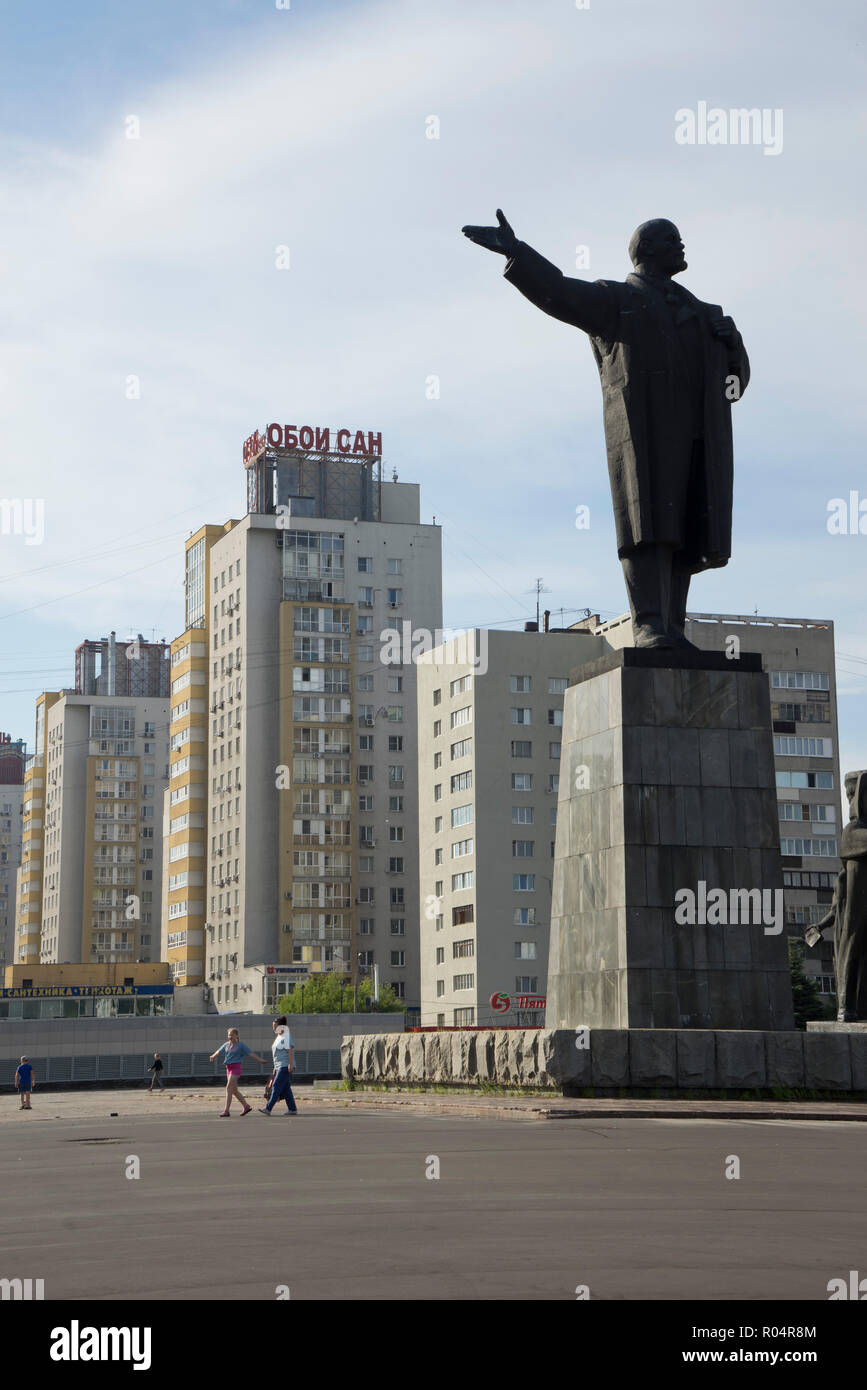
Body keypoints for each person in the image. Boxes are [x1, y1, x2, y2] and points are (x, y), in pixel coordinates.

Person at [461, 211, 749, 649]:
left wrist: (734, 345)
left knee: (686, 529)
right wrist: (516, 253)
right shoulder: (617, 301)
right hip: (645, 434)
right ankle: (649, 623)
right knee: (647, 526)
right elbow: (557, 291)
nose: (682, 245)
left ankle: (674, 626)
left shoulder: (706, 315)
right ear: (648, 249)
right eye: (673, 239)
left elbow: (734, 387)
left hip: (697, 437)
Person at [209, 1027, 268, 1116]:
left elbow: (250, 1053)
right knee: (234, 1091)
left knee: (228, 1087)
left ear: (236, 1035)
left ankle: (226, 1111)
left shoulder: (241, 1045)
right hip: (228, 1068)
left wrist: (260, 1060)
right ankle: (246, 1106)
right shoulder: (226, 1045)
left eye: (232, 1035)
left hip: (236, 1068)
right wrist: (213, 1056)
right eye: (229, 1035)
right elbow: (218, 1051)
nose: (230, 1037)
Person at [259, 1016, 298, 1116]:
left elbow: (290, 1051)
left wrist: (290, 1064)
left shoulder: (286, 1036)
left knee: (276, 1086)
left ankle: (268, 1108)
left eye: (275, 1026)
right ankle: (292, 1109)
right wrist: (275, 1067)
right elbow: (277, 1054)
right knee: (286, 1089)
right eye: (273, 1026)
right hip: (279, 1066)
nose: (273, 1028)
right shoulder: (279, 1036)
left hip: (285, 1065)